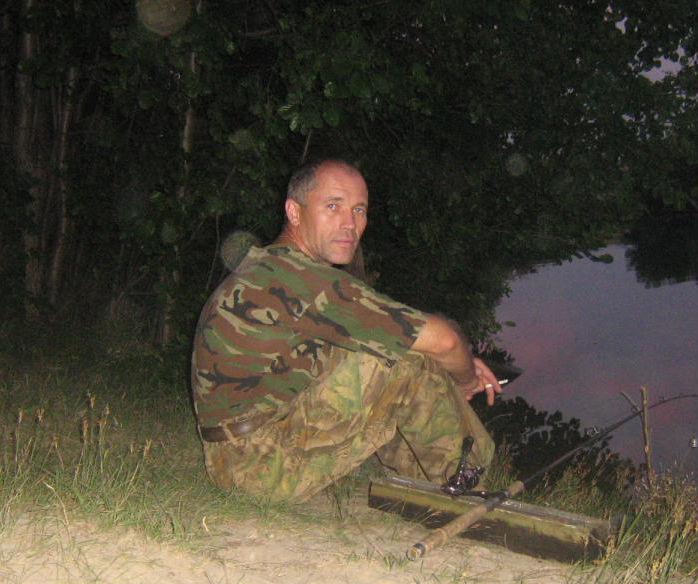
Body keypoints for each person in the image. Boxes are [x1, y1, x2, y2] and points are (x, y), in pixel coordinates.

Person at [191, 159, 502, 501]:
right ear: (294, 212)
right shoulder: (303, 281)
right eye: (333, 206)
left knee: (389, 348)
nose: (349, 224)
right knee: (406, 361)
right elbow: (444, 341)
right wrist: (466, 379)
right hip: (260, 468)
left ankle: (430, 483)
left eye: (358, 210)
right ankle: (465, 484)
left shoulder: (272, 266)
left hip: (235, 459)